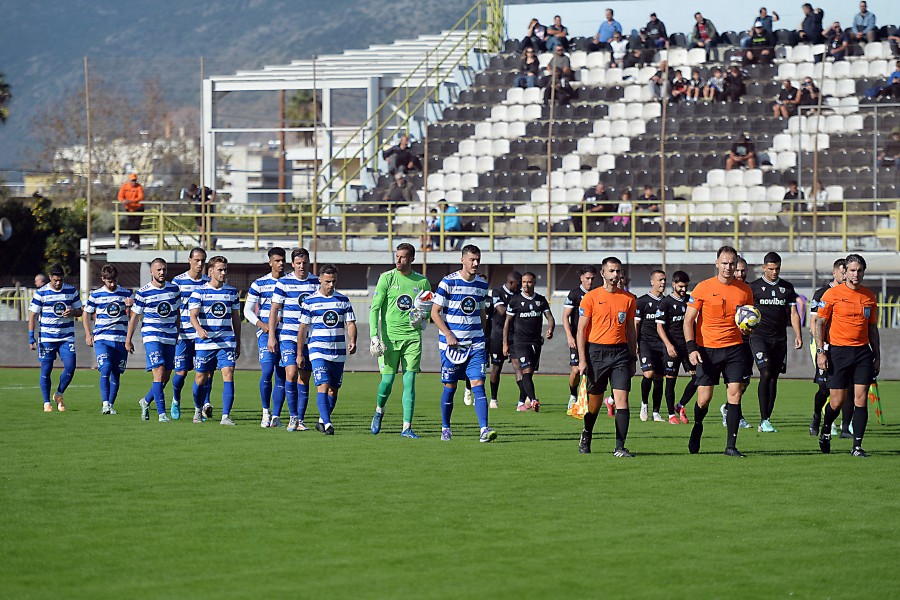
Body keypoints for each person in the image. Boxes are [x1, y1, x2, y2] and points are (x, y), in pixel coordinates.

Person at [683, 246, 755, 457]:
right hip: (706, 350)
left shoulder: (745, 290)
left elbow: (748, 320)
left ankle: (730, 446)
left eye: (732, 263)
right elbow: (688, 321)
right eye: (724, 263)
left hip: (734, 349)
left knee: (735, 393)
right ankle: (697, 425)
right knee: (704, 399)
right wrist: (691, 349)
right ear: (717, 264)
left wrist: (749, 328)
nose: (728, 267)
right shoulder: (702, 288)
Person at [814, 254, 880, 457]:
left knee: (861, 399)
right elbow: (819, 323)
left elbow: (872, 329)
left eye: (859, 270)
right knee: (837, 402)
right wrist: (820, 352)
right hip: (838, 352)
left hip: (862, 353)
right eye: (852, 270)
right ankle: (826, 428)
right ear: (845, 272)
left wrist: (877, 356)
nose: (856, 274)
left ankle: (857, 446)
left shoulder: (869, 296)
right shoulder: (832, 295)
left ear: (863, 272)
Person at [430, 244, 495, 442]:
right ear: (463, 260)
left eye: (478, 260)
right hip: (451, 345)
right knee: (450, 387)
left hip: (475, 344)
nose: (476, 263)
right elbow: (434, 312)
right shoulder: (447, 283)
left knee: (478, 384)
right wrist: (448, 334)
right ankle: (445, 428)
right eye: (472, 259)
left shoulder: (482, 285)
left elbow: (483, 313)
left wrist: (483, 336)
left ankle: (484, 430)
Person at [369, 243, 431, 438]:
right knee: (387, 381)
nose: (398, 260)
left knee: (410, 381)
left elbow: (428, 311)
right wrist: (374, 336)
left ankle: (406, 427)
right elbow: (374, 308)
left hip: (412, 339)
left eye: (403, 257)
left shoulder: (422, 282)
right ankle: (379, 410)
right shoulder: (386, 278)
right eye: (397, 256)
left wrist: (422, 319)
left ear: (411, 259)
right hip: (389, 339)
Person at [577, 256, 637, 457]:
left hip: (620, 353)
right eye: (611, 271)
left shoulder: (628, 299)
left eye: (618, 271)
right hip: (596, 353)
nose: (615, 275)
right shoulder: (591, 297)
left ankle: (620, 447)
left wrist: (632, 356)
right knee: (594, 405)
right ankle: (587, 433)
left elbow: (630, 329)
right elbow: (581, 330)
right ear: (603, 273)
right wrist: (582, 359)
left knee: (622, 400)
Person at [298, 264, 357, 436]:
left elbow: (350, 323)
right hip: (318, 350)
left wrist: (353, 340)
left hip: (338, 351)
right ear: (320, 280)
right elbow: (302, 328)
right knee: (322, 385)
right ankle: (329, 424)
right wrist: (301, 352)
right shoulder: (309, 301)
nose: (331, 285)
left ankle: (322, 420)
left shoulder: (343, 300)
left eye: (333, 281)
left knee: (334, 389)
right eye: (327, 281)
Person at [748, 252, 803, 433]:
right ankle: (763, 419)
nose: (774, 272)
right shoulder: (754, 288)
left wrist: (798, 334)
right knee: (765, 372)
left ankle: (767, 419)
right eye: (770, 268)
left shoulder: (787, 288)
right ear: (764, 268)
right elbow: (745, 312)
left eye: (777, 268)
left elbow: (793, 313)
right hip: (759, 337)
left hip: (779, 339)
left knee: (773, 378)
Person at [268, 247, 319, 431]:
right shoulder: (283, 283)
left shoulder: (316, 282)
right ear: (292, 264)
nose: (302, 266)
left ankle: (301, 420)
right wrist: (272, 336)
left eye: (304, 263)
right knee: (291, 373)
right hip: (288, 335)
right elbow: (274, 310)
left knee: (304, 378)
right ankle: (292, 417)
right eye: (298, 263)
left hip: (310, 338)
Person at [189, 255, 241, 426]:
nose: (223, 273)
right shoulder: (199, 292)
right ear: (211, 271)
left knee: (229, 374)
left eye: (225, 269)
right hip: (205, 342)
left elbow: (236, 319)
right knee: (200, 378)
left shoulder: (232, 292)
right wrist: (199, 330)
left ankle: (225, 416)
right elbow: (193, 316)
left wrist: (238, 342)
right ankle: (198, 409)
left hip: (226, 341)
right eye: (220, 269)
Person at [127, 257, 181, 423]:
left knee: (165, 377)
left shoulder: (174, 289)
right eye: (158, 269)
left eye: (164, 269)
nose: (161, 272)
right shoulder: (143, 292)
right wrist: (128, 339)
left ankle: (145, 401)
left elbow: (177, 313)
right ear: (151, 271)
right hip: (152, 335)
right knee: (158, 372)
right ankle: (162, 414)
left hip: (170, 335)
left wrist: (177, 333)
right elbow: (135, 317)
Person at [28, 263, 82, 412]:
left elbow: (80, 311)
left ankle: (58, 394)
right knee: (46, 369)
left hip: (66, 337)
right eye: (55, 280)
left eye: (60, 280)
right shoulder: (41, 293)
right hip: (47, 338)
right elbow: (33, 314)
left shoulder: (71, 291)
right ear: (50, 278)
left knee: (70, 367)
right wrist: (31, 337)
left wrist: (72, 312)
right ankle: (46, 402)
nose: (58, 283)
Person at [244, 247, 287, 428]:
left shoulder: (290, 283)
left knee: (283, 374)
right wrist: (263, 326)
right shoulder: (259, 284)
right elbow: (247, 310)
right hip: (266, 334)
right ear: (270, 262)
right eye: (277, 260)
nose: (281, 263)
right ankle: (265, 412)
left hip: (286, 333)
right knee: (267, 370)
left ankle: (276, 416)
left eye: (282, 260)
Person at [83, 264, 134, 415]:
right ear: (103, 279)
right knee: (105, 368)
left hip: (120, 339)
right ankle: (105, 404)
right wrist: (88, 334)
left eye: (114, 281)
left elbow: (136, 314)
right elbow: (86, 313)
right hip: (102, 338)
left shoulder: (126, 294)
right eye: (109, 281)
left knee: (116, 372)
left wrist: (132, 304)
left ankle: (110, 405)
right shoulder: (96, 295)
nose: (112, 284)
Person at [808, 258, 849, 436]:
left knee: (846, 386)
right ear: (834, 273)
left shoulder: (851, 293)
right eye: (843, 272)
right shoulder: (821, 293)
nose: (846, 275)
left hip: (844, 346)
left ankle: (845, 427)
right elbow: (814, 321)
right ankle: (817, 415)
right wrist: (820, 347)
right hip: (824, 346)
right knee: (824, 388)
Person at [503, 272, 554, 412]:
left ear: (534, 283)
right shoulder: (515, 301)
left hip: (536, 342)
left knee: (528, 374)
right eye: (524, 282)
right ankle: (533, 400)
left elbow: (550, 317)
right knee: (527, 370)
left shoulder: (541, 300)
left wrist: (550, 329)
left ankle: (521, 403)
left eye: (529, 282)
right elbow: (507, 323)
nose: (526, 285)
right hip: (520, 342)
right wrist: (505, 343)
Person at [171, 247, 211, 420]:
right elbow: (172, 308)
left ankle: (204, 405)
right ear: (190, 260)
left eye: (203, 260)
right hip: (184, 334)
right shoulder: (178, 282)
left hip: (203, 335)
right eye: (197, 260)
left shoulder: (209, 281)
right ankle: (176, 399)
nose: (200, 264)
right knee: (181, 373)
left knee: (205, 372)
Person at [655, 270, 698, 424]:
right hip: (672, 348)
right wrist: (668, 345)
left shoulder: (690, 300)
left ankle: (680, 405)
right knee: (671, 381)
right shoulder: (665, 303)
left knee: (697, 377)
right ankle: (671, 415)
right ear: (673, 284)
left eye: (686, 286)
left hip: (688, 347)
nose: (683, 289)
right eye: (680, 286)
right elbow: (659, 328)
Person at [488, 271, 523, 410]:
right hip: (498, 335)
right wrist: (516, 308)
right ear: (511, 283)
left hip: (514, 336)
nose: (520, 287)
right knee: (496, 367)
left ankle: (522, 400)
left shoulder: (518, 294)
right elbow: (501, 311)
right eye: (518, 284)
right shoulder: (497, 292)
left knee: (518, 367)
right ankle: (493, 398)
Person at [635, 270, 667, 422]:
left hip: (661, 345)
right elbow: (636, 324)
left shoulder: (666, 302)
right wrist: (634, 343)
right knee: (648, 374)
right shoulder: (641, 302)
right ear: (652, 282)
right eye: (660, 280)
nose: (662, 283)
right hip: (645, 343)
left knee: (660, 378)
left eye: (664, 280)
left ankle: (656, 412)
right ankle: (644, 404)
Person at [563, 266, 596, 410]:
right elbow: (565, 316)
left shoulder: (597, 294)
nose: (590, 281)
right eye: (587, 278)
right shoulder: (574, 294)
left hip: (594, 338)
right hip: (577, 338)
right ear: (581, 278)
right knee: (576, 370)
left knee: (591, 370)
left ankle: (587, 399)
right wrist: (570, 336)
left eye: (592, 279)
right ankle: (573, 395)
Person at [117, 173, 145, 249]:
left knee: (136, 226)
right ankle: (133, 240)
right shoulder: (125, 186)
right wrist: (123, 200)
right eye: (132, 180)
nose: (134, 182)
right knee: (130, 226)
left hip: (138, 209)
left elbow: (140, 197)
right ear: (129, 180)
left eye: (135, 180)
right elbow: (120, 196)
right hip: (129, 209)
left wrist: (130, 201)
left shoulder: (139, 187)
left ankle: (136, 242)